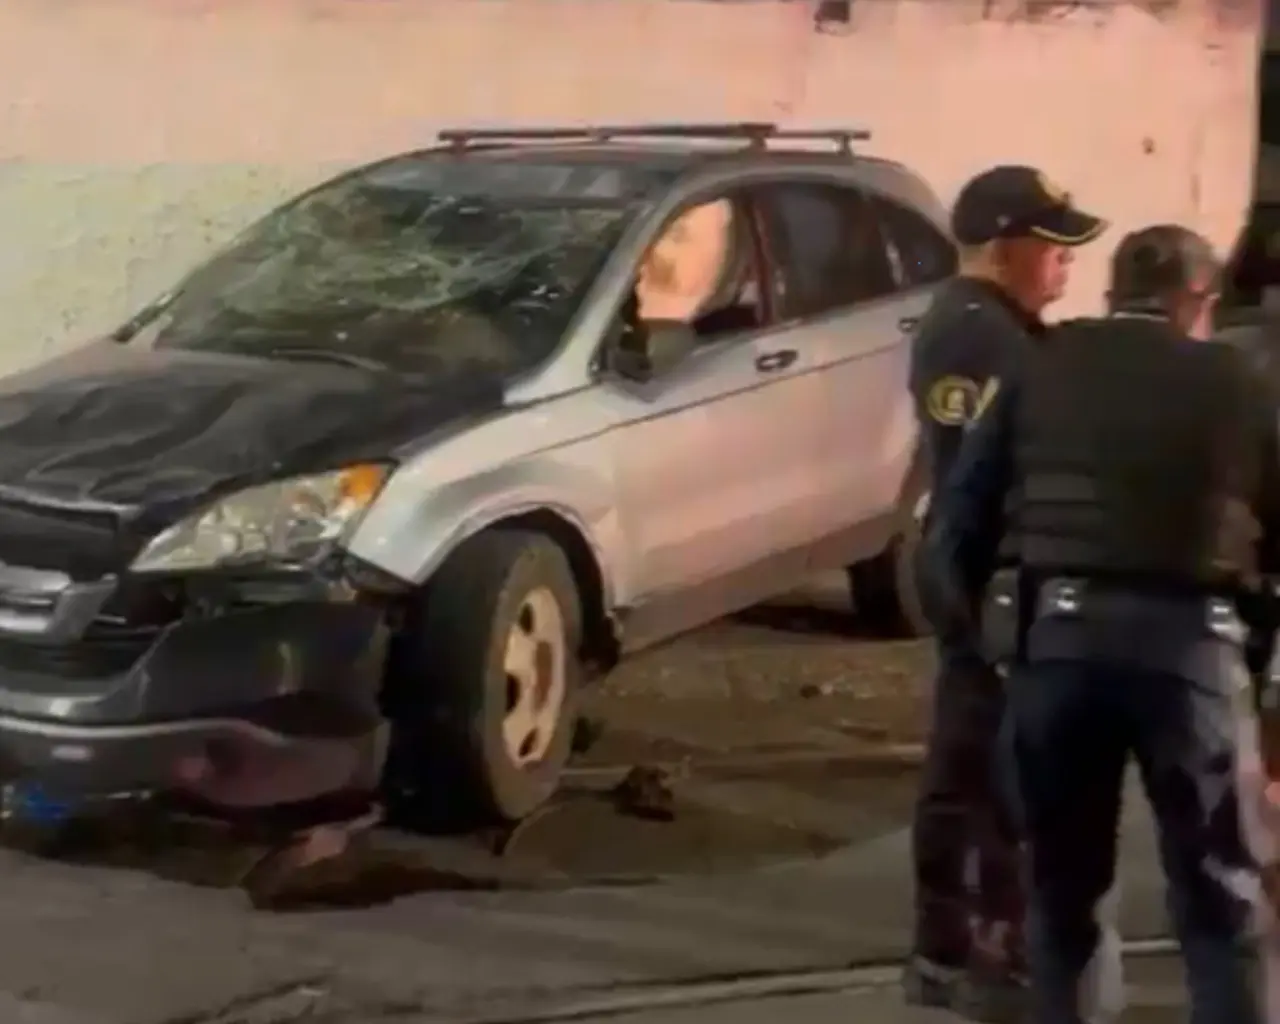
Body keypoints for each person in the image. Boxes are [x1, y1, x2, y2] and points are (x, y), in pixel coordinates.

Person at [923, 223, 1280, 1024]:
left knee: (1063, 893)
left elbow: (952, 533)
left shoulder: (1037, 367)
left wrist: (986, 653)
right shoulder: (1241, 381)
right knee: (1222, 900)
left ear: (1114, 296)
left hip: (1058, 652)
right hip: (1196, 653)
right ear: (1200, 301)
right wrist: (1266, 673)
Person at [904, 164, 1108, 1020]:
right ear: (1000, 248)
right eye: (1052, 248)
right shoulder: (978, 337)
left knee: (987, 778)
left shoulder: (998, 328)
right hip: (989, 587)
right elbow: (976, 484)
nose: (1065, 265)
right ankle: (970, 949)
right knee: (986, 779)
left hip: (986, 587)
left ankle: (967, 946)